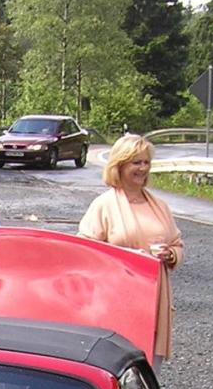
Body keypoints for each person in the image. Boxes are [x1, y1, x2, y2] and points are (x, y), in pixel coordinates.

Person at [77, 133, 184, 361]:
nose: (143, 168)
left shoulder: (160, 205)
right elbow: (84, 252)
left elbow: (177, 244)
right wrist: (126, 258)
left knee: (149, 372)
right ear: (120, 165)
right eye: (136, 162)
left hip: (154, 302)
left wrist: (170, 254)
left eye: (146, 162)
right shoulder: (103, 205)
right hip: (117, 302)